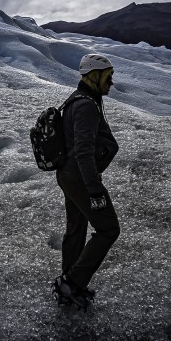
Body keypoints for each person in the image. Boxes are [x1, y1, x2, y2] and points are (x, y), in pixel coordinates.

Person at [53, 54, 120, 309]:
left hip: (69, 176)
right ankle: (71, 281)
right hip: (79, 178)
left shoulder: (80, 99)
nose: (111, 82)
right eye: (108, 77)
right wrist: (94, 189)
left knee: (77, 228)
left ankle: (69, 286)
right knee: (108, 229)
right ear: (96, 76)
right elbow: (83, 151)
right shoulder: (86, 106)